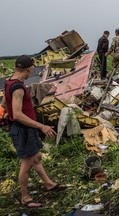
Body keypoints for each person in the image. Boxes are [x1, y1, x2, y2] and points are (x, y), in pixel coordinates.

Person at [1, 55, 66, 208]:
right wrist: (41, 126)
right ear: (29, 68)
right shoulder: (17, 88)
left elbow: (4, 103)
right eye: (32, 68)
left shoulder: (9, 81)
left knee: (36, 156)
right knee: (27, 163)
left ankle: (49, 184)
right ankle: (25, 197)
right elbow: (17, 115)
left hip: (25, 128)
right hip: (23, 129)